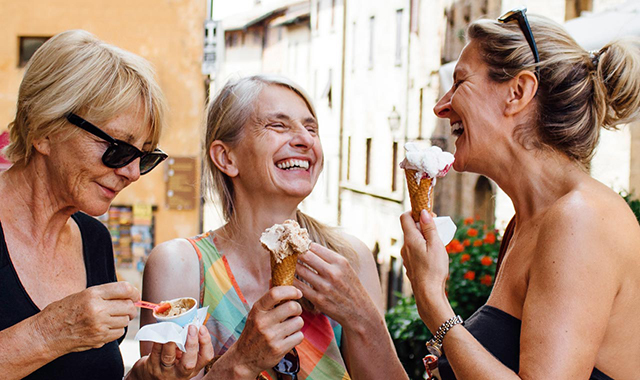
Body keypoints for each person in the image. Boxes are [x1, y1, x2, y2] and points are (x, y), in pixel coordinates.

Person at [400, 8, 640, 380]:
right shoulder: (525, 224)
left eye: (460, 82)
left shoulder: (581, 219)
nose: (441, 105)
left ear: (518, 92)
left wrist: (433, 301)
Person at [141, 74, 408, 379]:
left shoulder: (348, 259)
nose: (305, 140)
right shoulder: (180, 266)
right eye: (278, 126)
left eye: (312, 129)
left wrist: (362, 319)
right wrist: (241, 361)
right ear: (226, 157)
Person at [0, 30, 213, 380]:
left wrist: (150, 375)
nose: (132, 173)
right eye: (119, 148)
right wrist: (50, 332)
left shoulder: (94, 240)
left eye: (144, 157)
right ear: (44, 130)